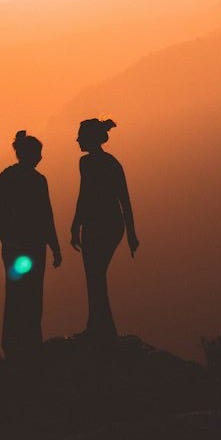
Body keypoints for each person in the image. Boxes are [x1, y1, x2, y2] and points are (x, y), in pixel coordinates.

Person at [0, 130, 62, 358]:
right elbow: (46, 216)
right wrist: (55, 246)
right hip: (32, 247)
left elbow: (0, 215)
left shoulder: (6, 177)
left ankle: (13, 341)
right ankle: (31, 341)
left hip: (16, 247)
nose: (41, 157)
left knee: (15, 292)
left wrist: (7, 241)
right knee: (33, 294)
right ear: (29, 154)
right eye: (39, 153)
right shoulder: (37, 181)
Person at [70, 117, 138, 338]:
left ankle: (100, 328)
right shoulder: (96, 163)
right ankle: (100, 326)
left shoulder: (105, 164)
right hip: (99, 223)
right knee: (95, 276)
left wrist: (132, 234)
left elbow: (123, 198)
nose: (77, 140)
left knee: (95, 275)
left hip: (104, 225)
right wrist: (76, 225)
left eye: (80, 136)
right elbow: (85, 195)